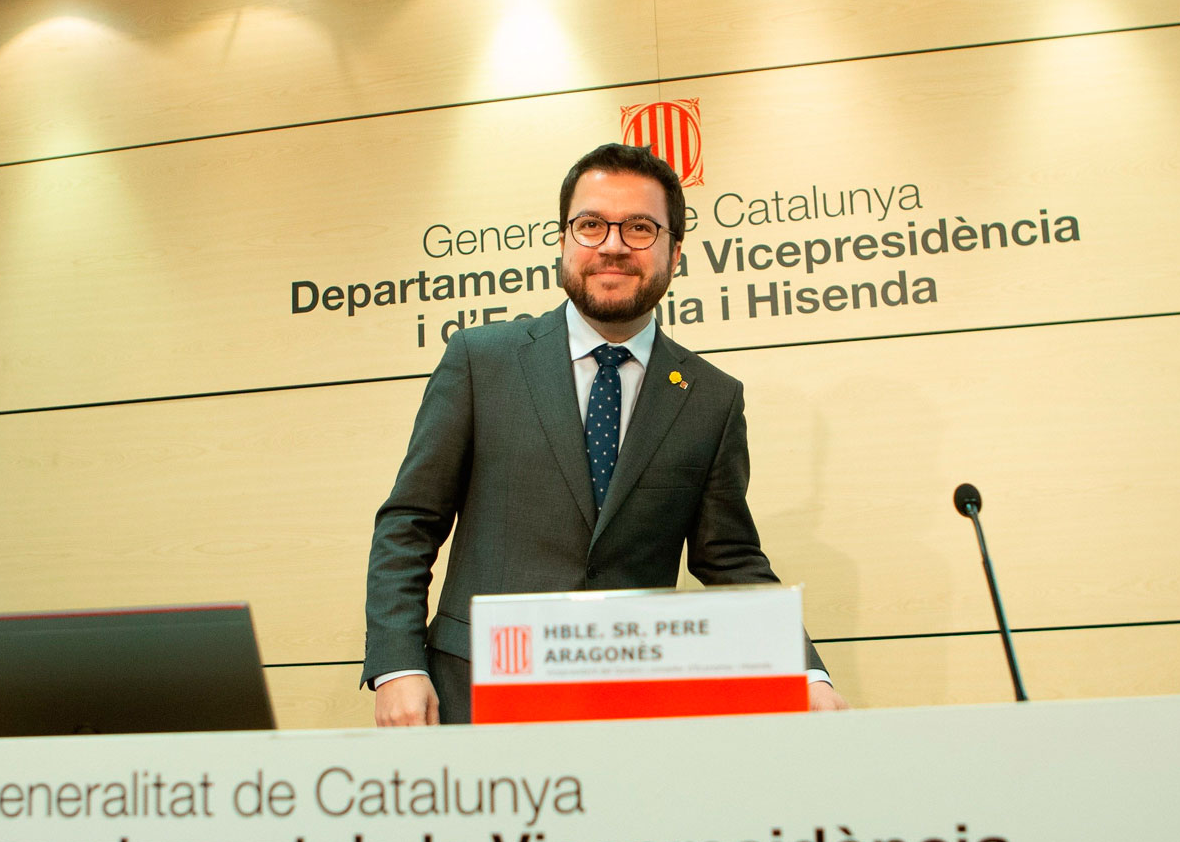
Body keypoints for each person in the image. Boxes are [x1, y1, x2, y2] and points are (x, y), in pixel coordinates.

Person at [363, 143, 850, 725]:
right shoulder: (481, 361)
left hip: (630, 709)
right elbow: (410, 523)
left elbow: (732, 559)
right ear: (563, 239)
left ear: (675, 251)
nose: (613, 245)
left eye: (640, 228)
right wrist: (398, 664)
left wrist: (804, 673)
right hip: (475, 696)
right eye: (591, 224)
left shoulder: (711, 399)